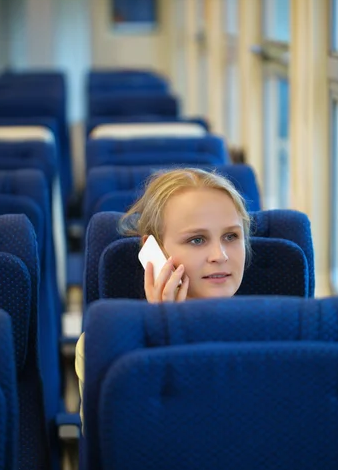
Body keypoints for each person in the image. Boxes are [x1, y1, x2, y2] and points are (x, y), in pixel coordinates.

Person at [75, 167, 251, 427]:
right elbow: (120, 448)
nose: (220, 255)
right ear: (153, 250)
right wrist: (162, 341)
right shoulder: (104, 344)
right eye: (197, 240)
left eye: (231, 236)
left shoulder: (278, 335)